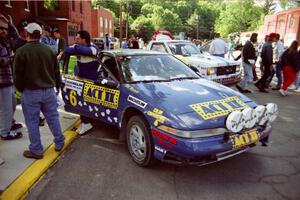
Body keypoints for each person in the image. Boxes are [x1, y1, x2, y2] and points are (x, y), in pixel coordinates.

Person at [13, 22, 65, 159]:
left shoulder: (21, 52)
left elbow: (17, 76)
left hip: (31, 92)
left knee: (32, 122)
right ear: (40, 33)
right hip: (49, 91)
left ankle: (36, 150)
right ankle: (59, 142)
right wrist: (58, 87)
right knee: (53, 118)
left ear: (27, 33)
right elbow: (56, 72)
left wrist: (21, 89)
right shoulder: (49, 50)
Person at [64, 30, 99, 135]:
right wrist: (76, 47)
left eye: (78, 38)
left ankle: (87, 122)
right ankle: (84, 122)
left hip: (90, 80)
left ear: (84, 39)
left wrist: (75, 47)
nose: (76, 40)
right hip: (80, 79)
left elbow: (88, 51)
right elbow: (66, 49)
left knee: (87, 102)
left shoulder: (93, 48)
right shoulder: (80, 47)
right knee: (80, 101)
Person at [0, 13, 23, 142]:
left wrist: (9, 23)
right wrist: (10, 58)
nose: (4, 31)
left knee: (12, 104)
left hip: (8, 80)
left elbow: (16, 37)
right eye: (1, 28)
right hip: (1, 82)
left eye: (5, 29)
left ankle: (10, 123)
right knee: (5, 107)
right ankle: (5, 132)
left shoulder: (5, 40)